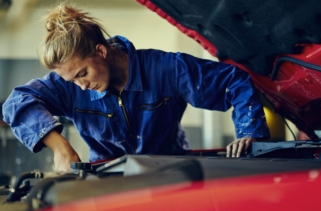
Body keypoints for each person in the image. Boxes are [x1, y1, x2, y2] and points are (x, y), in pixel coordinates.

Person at [2, 4, 270, 171]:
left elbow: (234, 80)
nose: (81, 86)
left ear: (100, 51)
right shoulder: (70, 85)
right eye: (72, 80)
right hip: (107, 181)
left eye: (83, 73)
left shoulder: (167, 69)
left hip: (171, 174)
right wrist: (61, 148)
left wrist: (250, 132)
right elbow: (16, 102)